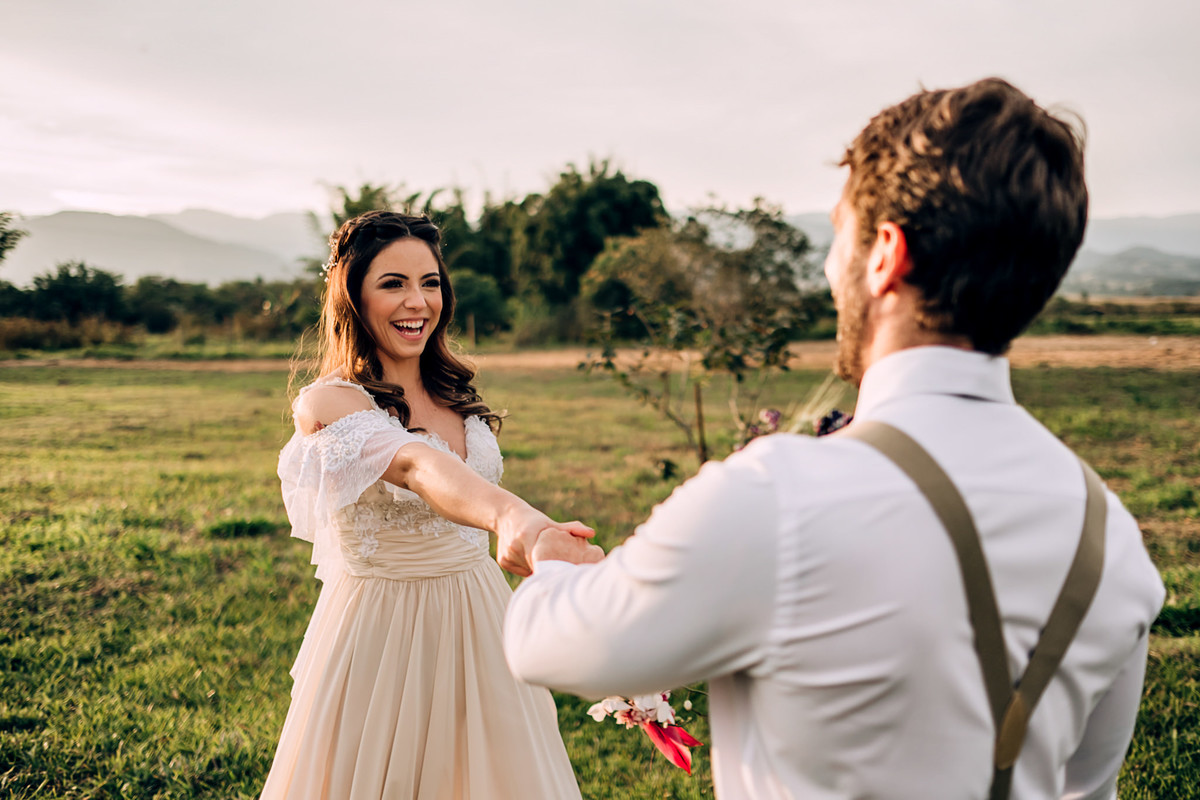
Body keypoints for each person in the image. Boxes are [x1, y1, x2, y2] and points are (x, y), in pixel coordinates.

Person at [503, 78, 1165, 799]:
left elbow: (548, 644)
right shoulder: (1113, 538)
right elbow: (1086, 787)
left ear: (885, 254)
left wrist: (544, 554)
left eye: (838, 233)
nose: (828, 268)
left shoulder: (779, 496)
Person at [261, 211, 585, 799]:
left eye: (429, 282)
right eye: (393, 284)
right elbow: (415, 464)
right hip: (382, 629)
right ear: (353, 297)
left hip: (481, 612)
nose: (417, 302)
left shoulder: (455, 395)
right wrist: (512, 517)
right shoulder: (330, 401)